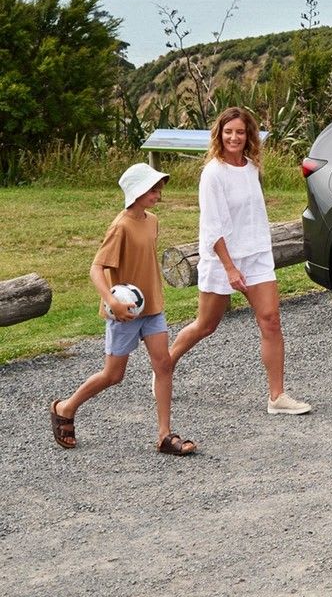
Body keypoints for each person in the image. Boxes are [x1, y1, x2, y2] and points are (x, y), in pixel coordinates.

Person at [169, 106, 311, 415]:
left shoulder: (251, 167)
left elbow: (252, 214)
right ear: (219, 134)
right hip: (223, 258)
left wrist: (255, 254)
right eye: (228, 131)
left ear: (249, 136)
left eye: (241, 132)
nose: (234, 137)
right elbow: (212, 225)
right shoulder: (212, 173)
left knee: (271, 321)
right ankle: (164, 366)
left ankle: (277, 397)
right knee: (206, 325)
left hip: (257, 254)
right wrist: (230, 268)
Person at [50, 163, 197, 455]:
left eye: (159, 188)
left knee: (164, 364)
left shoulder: (152, 220)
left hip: (152, 307)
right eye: (152, 189)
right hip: (125, 313)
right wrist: (112, 301)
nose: (158, 193)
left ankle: (164, 436)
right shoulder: (120, 226)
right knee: (113, 375)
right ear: (136, 192)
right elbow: (96, 268)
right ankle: (65, 407)